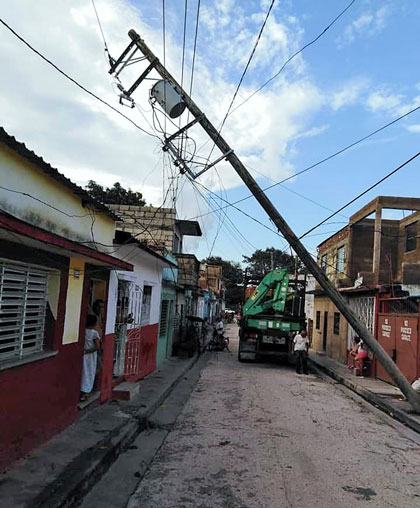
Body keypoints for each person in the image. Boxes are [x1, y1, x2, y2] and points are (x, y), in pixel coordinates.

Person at [80, 314, 101, 401]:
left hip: (84, 355)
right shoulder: (94, 333)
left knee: (84, 372)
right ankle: (86, 392)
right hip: (90, 355)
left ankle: (84, 392)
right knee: (90, 372)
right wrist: (88, 351)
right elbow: (97, 347)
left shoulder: (83, 331)